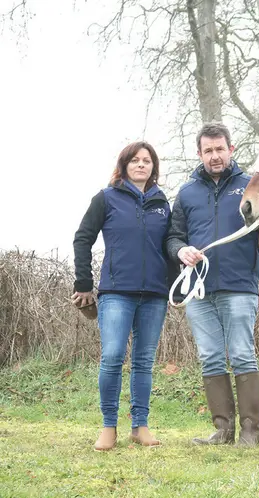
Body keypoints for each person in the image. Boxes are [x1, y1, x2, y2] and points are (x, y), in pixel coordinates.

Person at [166, 122, 259, 446]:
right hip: (198, 289)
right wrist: (181, 250)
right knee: (209, 357)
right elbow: (173, 236)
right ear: (199, 154)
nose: (215, 156)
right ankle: (222, 431)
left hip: (239, 286)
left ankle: (250, 434)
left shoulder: (251, 186)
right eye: (208, 151)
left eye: (220, 148)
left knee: (241, 355)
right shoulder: (187, 193)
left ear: (230, 149)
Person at [72, 141, 173, 451]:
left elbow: (170, 246)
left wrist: (175, 283)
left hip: (155, 295)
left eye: (147, 160)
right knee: (113, 357)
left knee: (143, 362)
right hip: (116, 292)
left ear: (154, 167)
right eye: (135, 160)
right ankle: (108, 427)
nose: (141, 165)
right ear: (125, 164)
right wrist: (84, 282)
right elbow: (83, 238)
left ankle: (140, 426)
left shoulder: (162, 204)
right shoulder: (106, 198)